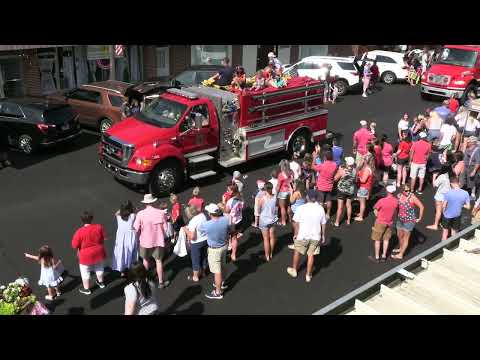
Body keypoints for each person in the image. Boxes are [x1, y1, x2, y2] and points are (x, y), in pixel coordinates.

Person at [287, 189, 327, 282]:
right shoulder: (320, 208)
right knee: (311, 255)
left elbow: (296, 223)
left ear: (307, 197)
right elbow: (323, 223)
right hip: (315, 236)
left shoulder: (301, 208)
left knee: (297, 251)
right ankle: (308, 275)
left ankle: (294, 270)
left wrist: (296, 234)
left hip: (303, 235)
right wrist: (323, 235)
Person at [133, 194, 170, 289]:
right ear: (153, 202)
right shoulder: (161, 213)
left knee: (145, 260)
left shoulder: (140, 214)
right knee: (158, 261)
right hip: (158, 241)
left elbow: (135, 229)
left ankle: (146, 280)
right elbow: (166, 228)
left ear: (145, 203)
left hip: (145, 241)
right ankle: (161, 282)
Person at [199, 203, 232, 300]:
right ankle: (222, 283)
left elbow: (201, 231)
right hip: (224, 246)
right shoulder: (225, 220)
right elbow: (230, 229)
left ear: (210, 214)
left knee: (217, 272)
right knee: (223, 265)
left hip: (214, 250)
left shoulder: (207, 224)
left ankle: (218, 292)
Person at [71, 210, 107, 295]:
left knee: (85, 271)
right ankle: (101, 282)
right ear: (91, 219)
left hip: (85, 256)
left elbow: (74, 245)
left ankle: (87, 289)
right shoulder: (99, 227)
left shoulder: (79, 231)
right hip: (99, 252)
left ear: (82, 220)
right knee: (99, 267)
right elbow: (103, 238)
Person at [392, 184, 424, 260]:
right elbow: (397, 207)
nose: (408, 192)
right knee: (399, 235)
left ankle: (401, 254)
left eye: (409, 190)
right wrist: (397, 214)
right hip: (400, 219)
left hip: (409, 221)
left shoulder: (412, 197)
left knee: (406, 238)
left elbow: (421, 206)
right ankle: (401, 248)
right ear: (402, 191)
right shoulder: (399, 196)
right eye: (406, 191)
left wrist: (419, 218)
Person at [370, 185, 398, 263]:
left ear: (387, 191)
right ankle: (384, 256)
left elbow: (375, 209)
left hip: (380, 222)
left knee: (377, 240)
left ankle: (377, 257)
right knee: (386, 239)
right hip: (390, 223)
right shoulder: (396, 201)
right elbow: (397, 211)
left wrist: (378, 216)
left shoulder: (382, 201)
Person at [111, 201, 138, 278]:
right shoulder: (133, 216)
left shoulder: (119, 217)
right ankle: (130, 269)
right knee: (130, 253)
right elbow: (136, 211)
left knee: (121, 253)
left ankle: (122, 270)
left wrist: (122, 209)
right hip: (130, 238)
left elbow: (116, 213)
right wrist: (132, 208)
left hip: (121, 238)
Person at [183, 204, 208, 282]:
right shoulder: (202, 215)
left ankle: (195, 277)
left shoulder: (193, 221)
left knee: (195, 259)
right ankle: (203, 272)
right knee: (203, 257)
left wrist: (185, 229)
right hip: (205, 240)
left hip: (196, 243)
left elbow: (192, 237)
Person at [441, 176, 471, 241]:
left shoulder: (448, 193)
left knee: (445, 232)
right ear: (458, 183)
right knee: (454, 232)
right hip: (457, 215)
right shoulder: (465, 193)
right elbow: (468, 207)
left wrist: (443, 213)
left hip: (447, 215)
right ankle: (452, 245)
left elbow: (444, 206)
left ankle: (442, 247)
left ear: (451, 183)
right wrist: (462, 205)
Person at [312, 148, 338, 219]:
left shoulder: (322, 166)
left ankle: (321, 215)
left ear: (325, 157)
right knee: (329, 200)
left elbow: (313, 166)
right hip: (329, 186)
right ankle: (328, 214)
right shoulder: (334, 165)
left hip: (321, 186)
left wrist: (314, 157)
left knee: (320, 201)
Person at [257, 182, 278, 261]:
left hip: (264, 220)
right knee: (272, 237)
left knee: (266, 239)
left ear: (265, 189)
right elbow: (276, 208)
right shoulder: (275, 197)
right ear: (271, 188)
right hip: (272, 219)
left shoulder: (262, 199)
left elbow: (258, 210)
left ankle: (267, 256)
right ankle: (271, 253)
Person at [334, 156, 357, 226]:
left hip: (341, 190)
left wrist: (338, 170)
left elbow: (335, 179)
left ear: (347, 163)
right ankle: (348, 221)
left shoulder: (342, 171)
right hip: (350, 190)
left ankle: (337, 222)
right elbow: (355, 180)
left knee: (340, 207)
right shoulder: (355, 171)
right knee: (349, 205)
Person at [225, 186, 244, 262]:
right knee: (234, 237)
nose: (227, 191)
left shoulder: (230, 201)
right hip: (239, 220)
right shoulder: (241, 199)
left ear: (232, 192)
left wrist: (223, 202)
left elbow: (226, 211)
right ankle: (233, 254)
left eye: (228, 190)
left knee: (228, 237)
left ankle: (228, 250)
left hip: (232, 222)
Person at [355, 154, 374, 222]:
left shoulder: (367, 170)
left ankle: (361, 216)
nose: (362, 160)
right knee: (361, 202)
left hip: (363, 188)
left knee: (362, 203)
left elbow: (363, 180)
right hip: (365, 188)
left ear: (366, 161)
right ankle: (360, 213)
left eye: (364, 159)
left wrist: (357, 176)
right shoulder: (367, 168)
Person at [288, 179, 306, 249]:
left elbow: (291, 201)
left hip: (296, 212)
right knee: (300, 227)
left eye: (294, 184)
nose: (293, 185)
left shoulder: (296, 193)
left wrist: (291, 192)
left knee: (296, 228)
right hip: (302, 212)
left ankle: (296, 244)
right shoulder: (304, 192)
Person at [276, 159, 294, 226]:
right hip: (290, 191)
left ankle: (283, 221)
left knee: (282, 207)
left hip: (283, 192)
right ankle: (290, 219)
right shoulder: (291, 172)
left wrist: (276, 193)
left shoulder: (281, 175)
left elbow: (278, 185)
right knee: (289, 205)